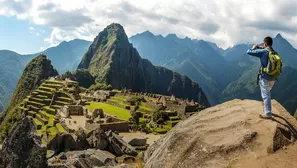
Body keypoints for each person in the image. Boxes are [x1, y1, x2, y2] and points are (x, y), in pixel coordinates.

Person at [246, 36, 276, 119]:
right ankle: (267, 110)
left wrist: (254, 48)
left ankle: (268, 113)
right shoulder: (274, 52)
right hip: (273, 77)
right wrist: (262, 47)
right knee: (267, 94)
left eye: (264, 43)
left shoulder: (263, 52)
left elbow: (248, 52)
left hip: (265, 77)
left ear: (265, 43)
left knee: (266, 95)